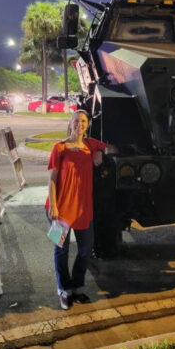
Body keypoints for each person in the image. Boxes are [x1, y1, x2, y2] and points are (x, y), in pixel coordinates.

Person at [45, 109, 107, 310]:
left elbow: (113, 148)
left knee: (85, 250)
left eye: (83, 121)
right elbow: (52, 179)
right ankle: (63, 290)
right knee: (60, 250)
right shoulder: (60, 147)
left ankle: (77, 287)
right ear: (70, 123)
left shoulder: (90, 145)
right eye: (76, 121)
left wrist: (101, 152)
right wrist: (53, 205)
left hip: (83, 209)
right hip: (59, 209)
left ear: (87, 124)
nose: (79, 124)